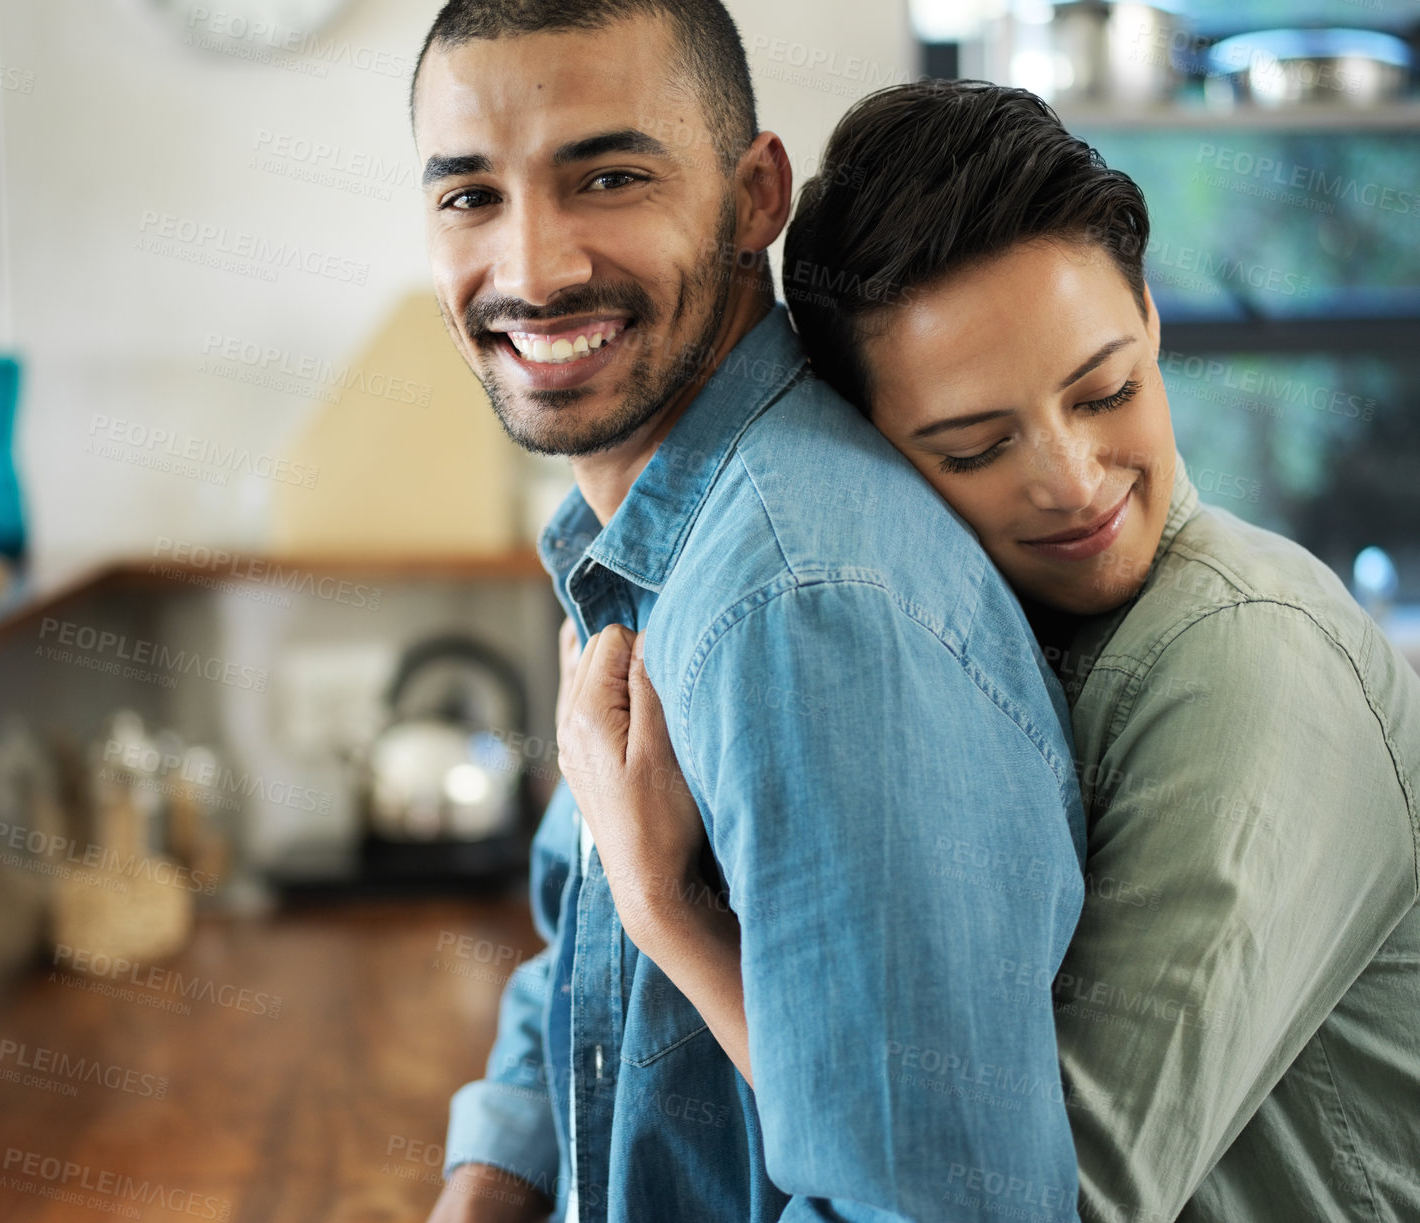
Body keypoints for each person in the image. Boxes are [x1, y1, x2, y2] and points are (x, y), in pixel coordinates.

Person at [558, 80, 1420, 1223]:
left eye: (1105, 389)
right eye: (973, 446)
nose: (1070, 480)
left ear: (1151, 320)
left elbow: (1031, 1201)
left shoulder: (1243, 662)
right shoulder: (952, 629)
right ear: (866, 449)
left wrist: (669, 911)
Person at [411, 5, 1091, 1222]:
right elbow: (583, 948)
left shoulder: (797, 607)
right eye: (470, 198)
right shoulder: (641, 547)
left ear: (756, 195)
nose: (529, 272)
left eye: (608, 176)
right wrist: (480, 1193)